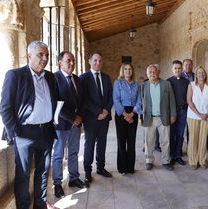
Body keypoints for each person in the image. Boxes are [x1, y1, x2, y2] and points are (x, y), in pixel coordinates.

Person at [0, 41, 58, 209]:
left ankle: (40, 206)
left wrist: (54, 115)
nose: (45, 58)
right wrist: (15, 133)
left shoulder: (50, 76)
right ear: (29, 55)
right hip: (24, 133)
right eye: (40, 54)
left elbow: (53, 100)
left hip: (46, 131)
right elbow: (5, 107)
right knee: (23, 175)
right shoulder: (15, 75)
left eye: (46, 55)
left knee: (43, 172)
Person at [52, 51, 86, 199]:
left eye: (73, 60)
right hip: (61, 125)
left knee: (73, 152)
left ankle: (73, 178)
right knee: (58, 155)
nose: (71, 63)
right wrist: (73, 118)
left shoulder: (77, 80)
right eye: (68, 61)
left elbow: (83, 101)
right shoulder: (54, 78)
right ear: (60, 62)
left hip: (76, 125)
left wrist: (80, 117)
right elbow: (55, 103)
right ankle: (58, 183)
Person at [80, 52, 113, 183]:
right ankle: (88, 171)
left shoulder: (106, 77)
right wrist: (98, 112)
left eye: (100, 61)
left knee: (102, 144)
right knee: (89, 145)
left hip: (104, 118)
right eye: (95, 61)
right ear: (89, 61)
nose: (98, 63)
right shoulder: (83, 78)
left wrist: (106, 110)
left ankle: (101, 168)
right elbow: (84, 99)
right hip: (90, 118)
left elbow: (110, 96)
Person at [141, 64, 176, 171]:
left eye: (154, 71)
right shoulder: (143, 85)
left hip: (163, 117)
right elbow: (140, 103)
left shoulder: (166, 84)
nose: (152, 74)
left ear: (158, 73)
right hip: (149, 117)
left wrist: (173, 114)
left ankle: (166, 161)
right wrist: (140, 117)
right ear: (147, 74)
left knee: (165, 140)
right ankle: (149, 160)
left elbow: (172, 100)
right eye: (150, 72)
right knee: (149, 141)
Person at [113, 63, 142, 175]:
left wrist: (132, 114)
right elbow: (116, 99)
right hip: (121, 113)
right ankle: (122, 168)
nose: (127, 71)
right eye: (125, 69)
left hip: (133, 112)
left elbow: (139, 100)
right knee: (121, 141)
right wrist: (125, 114)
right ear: (122, 71)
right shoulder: (118, 83)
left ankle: (130, 167)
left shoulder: (136, 85)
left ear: (132, 71)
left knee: (131, 141)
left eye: (130, 69)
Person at [187, 66, 208, 169]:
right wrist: (199, 114)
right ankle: (193, 160)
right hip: (193, 115)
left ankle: (202, 160)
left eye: (202, 73)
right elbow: (189, 101)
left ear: (205, 74)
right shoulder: (192, 85)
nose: (201, 75)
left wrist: (206, 114)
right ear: (196, 75)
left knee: (203, 138)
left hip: (207, 116)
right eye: (199, 73)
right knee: (193, 138)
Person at [167, 60, 189, 165]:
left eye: (179, 68)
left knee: (180, 134)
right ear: (172, 69)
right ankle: (172, 156)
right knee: (171, 134)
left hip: (183, 111)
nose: (177, 70)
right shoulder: (168, 82)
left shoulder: (186, 82)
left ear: (182, 69)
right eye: (175, 68)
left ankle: (178, 155)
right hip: (172, 112)